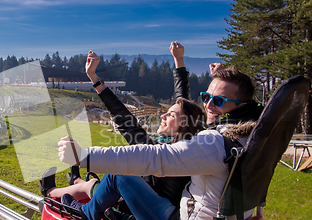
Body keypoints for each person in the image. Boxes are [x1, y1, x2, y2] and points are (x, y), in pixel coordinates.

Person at [56, 66, 261, 220]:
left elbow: (145, 145)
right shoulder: (244, 139)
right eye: (206, 97)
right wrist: (179, 64)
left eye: (218, 101)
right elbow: (185, 105)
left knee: (115, 176)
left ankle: (78, 210)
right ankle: (68, 187)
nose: (208, 105)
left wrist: (83, 156)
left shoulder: (204, 147)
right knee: (93, 184)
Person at [40, 42, 201, 207]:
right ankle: (76, 180)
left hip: (133, 206)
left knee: (92, 185)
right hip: (144, 196)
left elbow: (126, 123)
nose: (164, 114)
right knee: (96, 181)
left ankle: (50, 192)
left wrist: (95, 79)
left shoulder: (163, 155)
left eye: (171, 115)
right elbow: (183, 103)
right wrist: (179, 61)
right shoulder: (185, 148)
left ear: (184, 125)